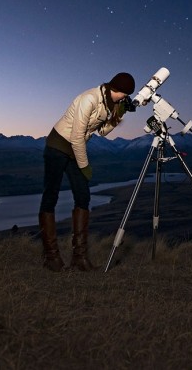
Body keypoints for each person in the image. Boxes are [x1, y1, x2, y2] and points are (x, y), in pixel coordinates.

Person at [39, 72, 135, 271]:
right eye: (125, 95)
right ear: (116, 89)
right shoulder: (89, 99)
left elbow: (102, 131)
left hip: (75, 148)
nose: (125, 98)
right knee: (50, 196)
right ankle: (51, 257)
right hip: (58, 146)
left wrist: (120, 114)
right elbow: (76, 137)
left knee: (83, 197)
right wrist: (84, 166)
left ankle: (80, 258)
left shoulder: (109, 103)